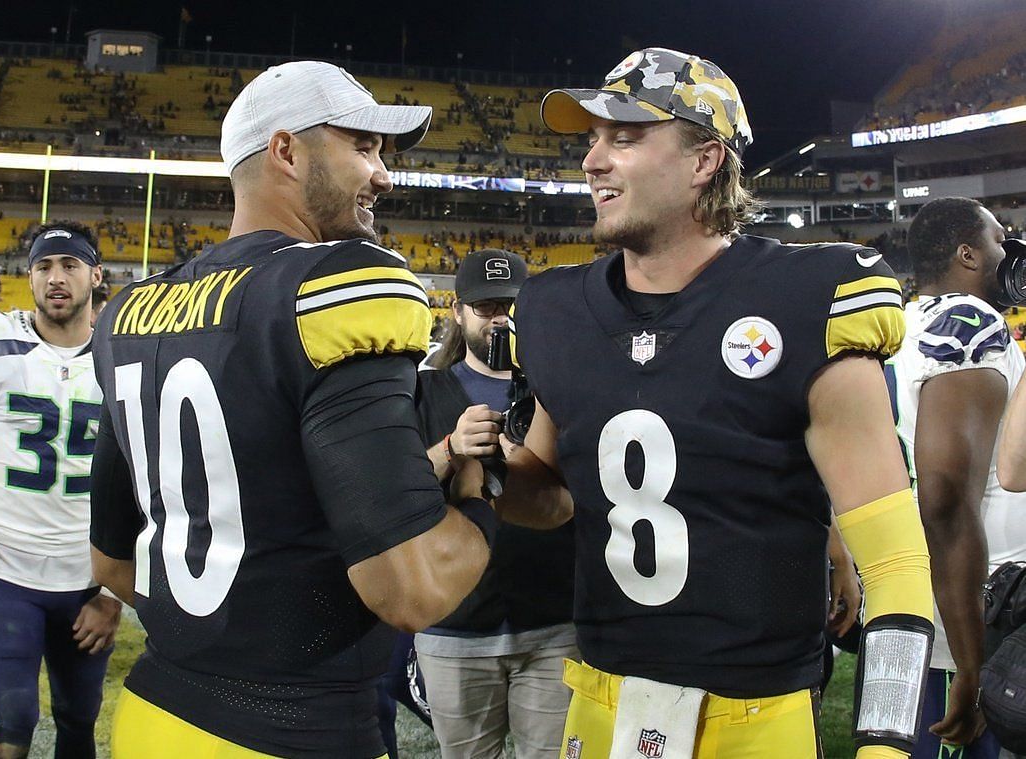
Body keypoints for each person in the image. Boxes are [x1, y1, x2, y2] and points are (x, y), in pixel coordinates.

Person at [499, 47, 935, 759]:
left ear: (704, 160)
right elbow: (546, 492)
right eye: (591, 139)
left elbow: (894, 565)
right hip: (600, 697)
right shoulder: (556, 308)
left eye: (625, 137)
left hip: (751, 713)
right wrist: (481, 468)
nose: (592, 161)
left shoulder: (804, 300)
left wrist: (887, 744)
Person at [89, 60, 497, 759]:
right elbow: (412, 591)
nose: (383, 174)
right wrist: (479, 490)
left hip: (154, 714)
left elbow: (111, 561)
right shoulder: (336, 284)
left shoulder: (130, 312)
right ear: (286, 150)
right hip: (293, 732)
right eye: (362, 147)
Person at [0, 220, 121, 759]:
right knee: (13, 721)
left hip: (86, 579)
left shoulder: (124, 356)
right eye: (44, 266)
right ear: (29, 277)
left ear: (95, 276)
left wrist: (115, 594)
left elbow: (150, 486)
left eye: (70, 265)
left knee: (78, 718)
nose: (56, 277)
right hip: (9, 575)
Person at [415, 248, 577, 759]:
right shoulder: (422, 389)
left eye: (509, 306)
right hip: (455, 621)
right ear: (458, 313)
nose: (499, 319)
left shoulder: (560, 387)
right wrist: (449, 448)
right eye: (485, 307)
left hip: (554, 615)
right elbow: (397, 489)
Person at [887, 197, 1026, 759]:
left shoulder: (901, 318)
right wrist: (971, 659)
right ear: (968, 254)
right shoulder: (970, 324)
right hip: (970, 604)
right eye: (998, 240)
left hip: (911, 585)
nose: (1008, 250)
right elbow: (945, 496)